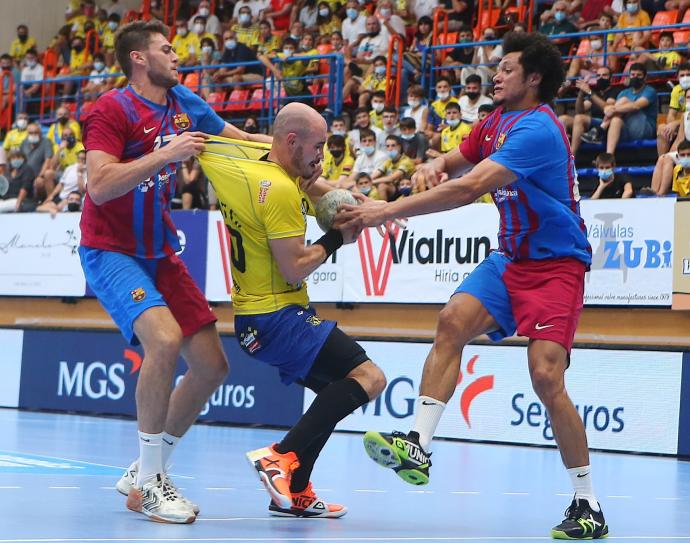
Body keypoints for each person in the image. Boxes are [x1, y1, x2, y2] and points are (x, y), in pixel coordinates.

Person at [338, 32, 608, 540]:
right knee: (451, 321)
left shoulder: (538, 130)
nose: (496, 74)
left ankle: (587, 502)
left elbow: (465, 189)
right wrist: (430, 164)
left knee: (547, 378)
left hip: (556, 266)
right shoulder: (493, 122)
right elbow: (453, 165)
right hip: (510, 259)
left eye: (506, 68)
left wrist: (383, 212)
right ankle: (417, 442)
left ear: (533, 78)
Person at [79, 20, 270, 524]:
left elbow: (243, 143)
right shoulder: (110, 110)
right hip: (111, 249)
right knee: (163, 341)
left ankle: (145, 467)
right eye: (167, 49)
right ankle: (151, 484)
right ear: (139, 58)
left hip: (160, 252)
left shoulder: (184, 101)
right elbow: (99, 185)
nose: (176, 55)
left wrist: (303, 157)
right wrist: (168, 152)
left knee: (211, 366)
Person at [199, 102, 386, 518]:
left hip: (254, 319)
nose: (323, 155)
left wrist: (350, 199)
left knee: (333, 390)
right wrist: (337, 238)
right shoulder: (282, 191)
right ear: (290, 141)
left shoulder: (250, 162)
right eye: (318, 146)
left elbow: (229, 138)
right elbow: (295, 265)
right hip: (277, 317)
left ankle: (296, 491)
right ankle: (278, 457)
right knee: (369, 378)